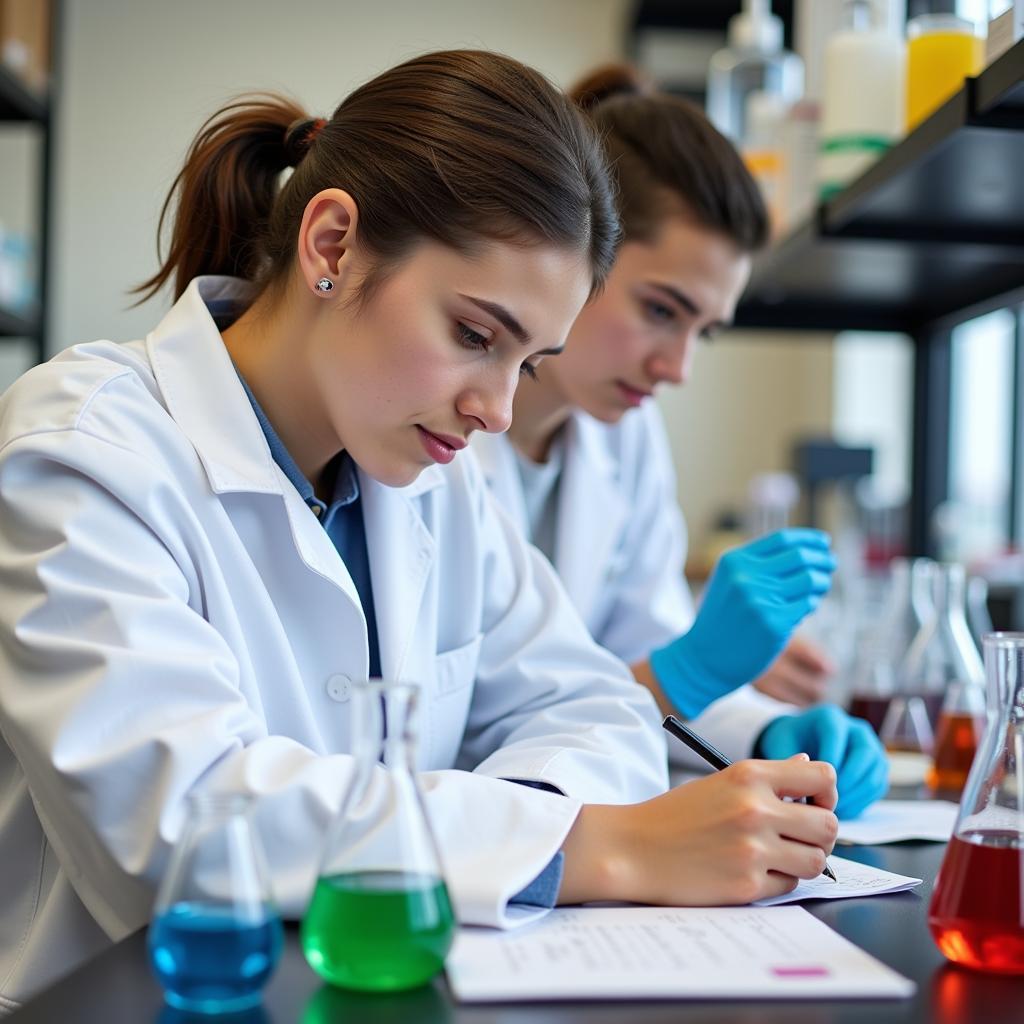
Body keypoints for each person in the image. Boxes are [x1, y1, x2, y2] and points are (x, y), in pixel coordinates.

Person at [0, 51, 839, 1011]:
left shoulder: (430, 481)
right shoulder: (84, 450)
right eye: (476, 334)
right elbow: (181, 824)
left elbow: (593, 708)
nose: (493, 409)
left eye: (528, 362)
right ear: (331, 245)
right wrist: (591, 845)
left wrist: (521, 839)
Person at [473, 66, 888, 820]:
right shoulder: (431, 434)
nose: (678, 368)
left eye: (704, 331)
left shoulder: (623, 435)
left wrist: (768, 733)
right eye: (662, 309)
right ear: (576, 248)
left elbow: (645, 662)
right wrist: (691, 668)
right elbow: (480, 726)